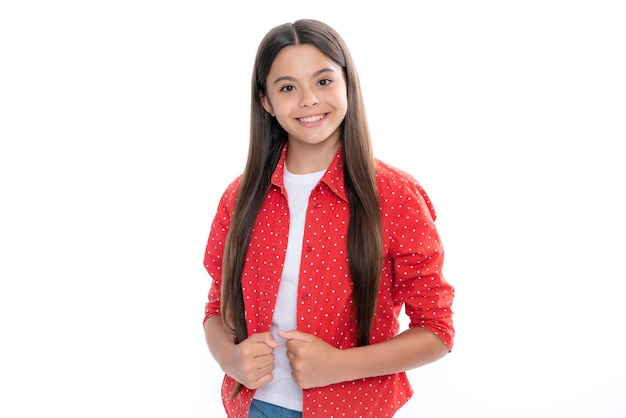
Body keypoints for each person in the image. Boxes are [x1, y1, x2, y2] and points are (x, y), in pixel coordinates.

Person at [202, 19, 455, 418]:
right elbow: (216, 309)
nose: (308, 100)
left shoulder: (394, 195)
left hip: (352, 408)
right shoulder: (239, 197)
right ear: (266, 101)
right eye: (287, 87)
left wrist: (337, 366)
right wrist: (229, 359)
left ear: (347, 84)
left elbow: (437, 332)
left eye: (323, 81)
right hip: (254, 407)